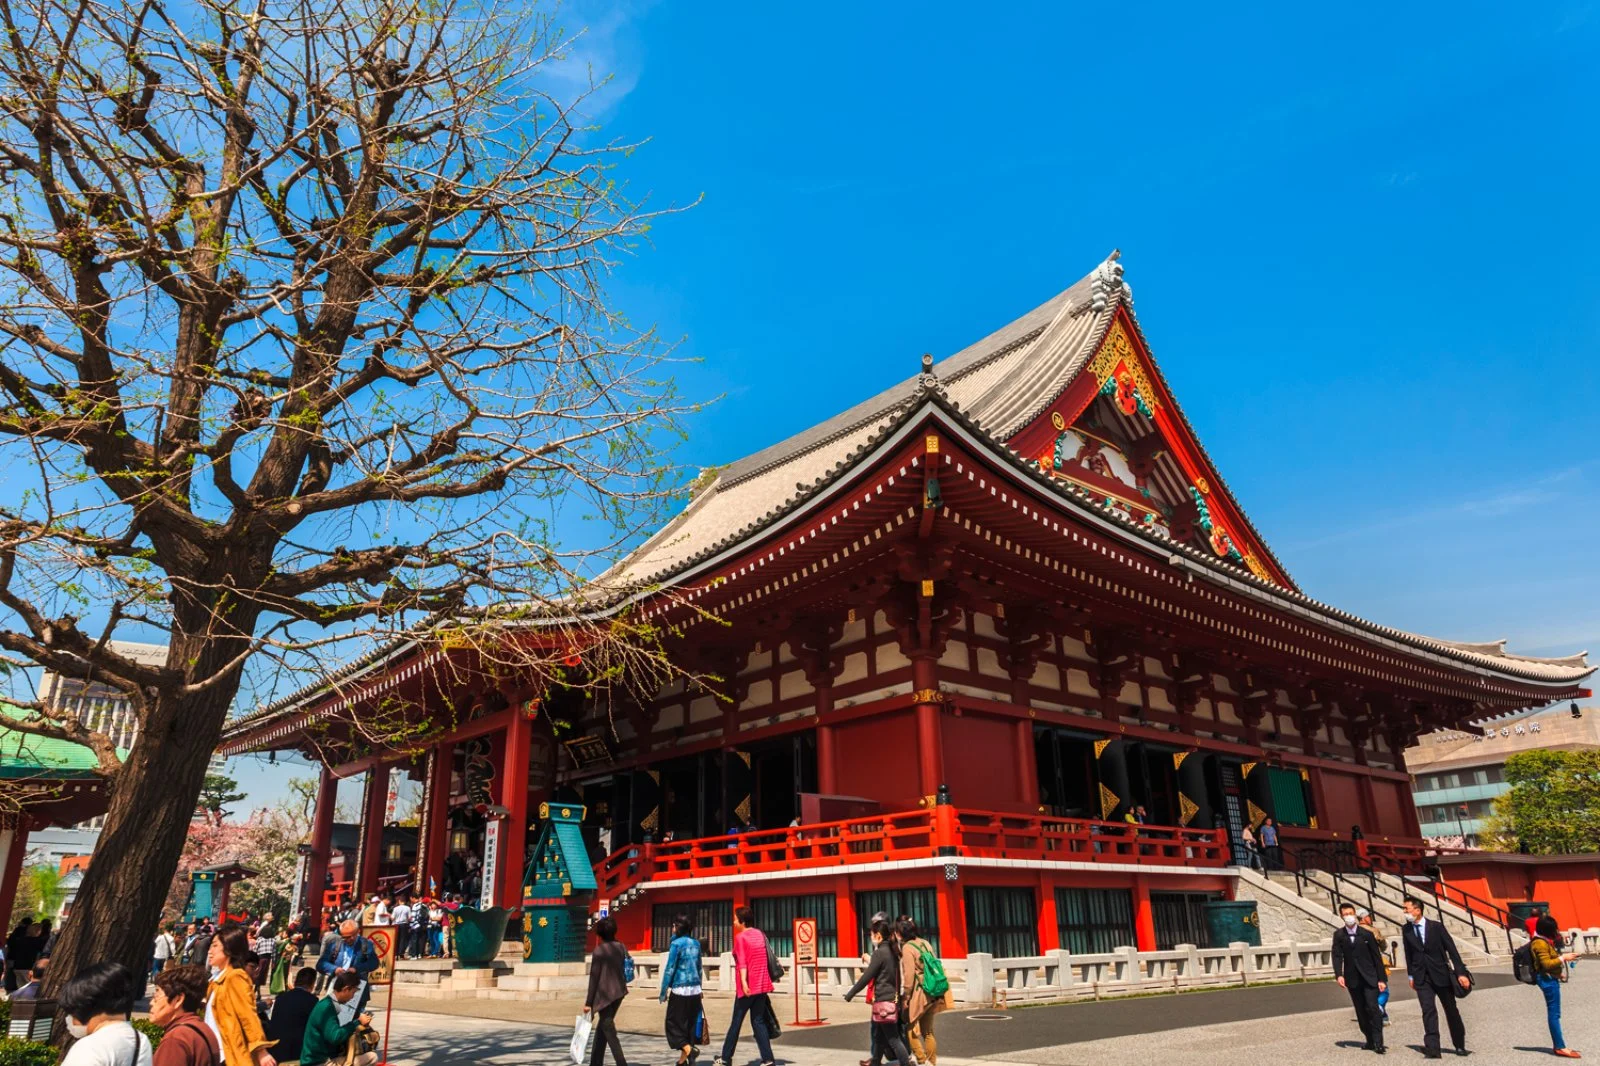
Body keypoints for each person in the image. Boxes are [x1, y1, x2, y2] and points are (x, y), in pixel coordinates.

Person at [1401, 896, 1471, 1059]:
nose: (1404, 912)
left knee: (1451, 1009)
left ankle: (1459, 1045)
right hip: (1421, 976)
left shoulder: (1436, 927)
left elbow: (1451, 949)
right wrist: (1410, 975)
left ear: (1417, 910)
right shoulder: (1406, 929)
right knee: (1428, 1010)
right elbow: (1408, 953)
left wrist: (1460, 972)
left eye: (1407, 909)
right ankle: (1433, 1048)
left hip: (1441, 974)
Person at [844, 917, 914, 1066]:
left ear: (878, 936)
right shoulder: (894, 951)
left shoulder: (880, 953)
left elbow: (866, 977)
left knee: (893, 1039)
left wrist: (850, 993)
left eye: (871, 935)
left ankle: (905, 1063)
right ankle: (875, 1062)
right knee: (879, 1036)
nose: (871, 938)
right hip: (892, 999)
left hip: (883, 1001)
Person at [712, 905, 775, 1066]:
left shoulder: (741, 938)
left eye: (735, 919)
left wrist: (745, 983)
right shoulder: (760, 934)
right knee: (758, 1021)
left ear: (742, 921)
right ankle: (768, 1059)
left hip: (748, 987)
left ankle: (725, 1058)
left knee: (736, 1022)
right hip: (762, 984)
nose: (733, 922)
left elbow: (743, 964)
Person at [59, 961, 153, 1066]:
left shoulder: (89, 1047)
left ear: (86, 1007)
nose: (70, 1020)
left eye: (72, 1013)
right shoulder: (141, 1040)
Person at [208, 926, 278, 1066]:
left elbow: (247, 1014)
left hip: (227, 1055)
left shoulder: (235, 977)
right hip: (215, 1052)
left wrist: (260, 1050)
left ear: (229, 948)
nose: (210, 951)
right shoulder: (216, 978)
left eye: (215, 945)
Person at [1332, 903, 1387, 1055]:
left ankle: (1378, 1042)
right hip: (1352, 978)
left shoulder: (1366, 934)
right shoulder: (1339, 935)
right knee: (1361, 1010)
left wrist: (1382, 979)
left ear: (1355, 914)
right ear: (1342, 916)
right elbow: (1337, 956)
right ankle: (1369, 1039)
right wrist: (1339, 974)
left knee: (1372, 1007)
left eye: (1351, 913)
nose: (1349, 916)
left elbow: (1377, 958)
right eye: (1345, 914)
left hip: (1370, 977)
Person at [150, 965, 223, 1066]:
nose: (151, 1003)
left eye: (156, 996)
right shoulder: (203, 1028)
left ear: (178, 1000)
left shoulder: (175, 1040)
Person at [1531, 914, 1582, 1059]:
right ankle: (1559, 1046)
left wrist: (1559, 975)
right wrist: (1563, 958)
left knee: (1555, 1013)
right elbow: (1546, 964)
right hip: (1547, 981)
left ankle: (1559, 1045)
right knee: (1554, 1014)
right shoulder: (1540, 943)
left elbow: (1545, 964)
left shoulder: (1542, 941)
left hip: (1550, 978)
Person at [897, 917, 946, 1065]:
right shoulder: (925, 943)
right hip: (933, 992)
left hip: (919, 994)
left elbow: (909, 976)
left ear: (901, 933)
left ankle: (921, 1059)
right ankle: (932, 1062)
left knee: (910, 1029)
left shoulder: (907, 948)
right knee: (928, 1032)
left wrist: (905, 997)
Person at [300, 972, 375, 1066]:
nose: (352, 997)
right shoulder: (327, 1008)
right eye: (353, 993)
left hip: (319, 1058)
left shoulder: (328, 1003)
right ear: (346, 989)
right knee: (371, 1057)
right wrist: (357, 1022)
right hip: (318, 1062)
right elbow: (335, 1037)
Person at [659, 912, 704, 1066]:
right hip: (695, 990)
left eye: (674, 925)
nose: (672, 927)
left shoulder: (676, 945)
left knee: (672, 1024)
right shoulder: (696, 943)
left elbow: (670, 968)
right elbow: (699, 968)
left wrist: (663, 991)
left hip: (680, 989)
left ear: (678, 927)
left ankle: (690, 1050)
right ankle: (684, 1062)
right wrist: (701, 988)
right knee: (689, 1026)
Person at [584, 916, 630, 1066]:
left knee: (609, 1030)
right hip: (619, 992)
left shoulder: (599, 951)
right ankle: (595, 1062)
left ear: (600, 933)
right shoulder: (621, 947)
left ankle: (621, 1062)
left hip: (604, 995)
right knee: (603, 1028)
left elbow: (594, 978)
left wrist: (588, 1003)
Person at [315, 920, 380, 1014]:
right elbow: (320, 964)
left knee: (356, 1022)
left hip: (358, 989)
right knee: (335, 1018)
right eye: (346, 937)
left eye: (354, 935)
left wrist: (357, 969)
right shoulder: (335, 945)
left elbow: (374, 963)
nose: (351, 938)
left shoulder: (366, 944)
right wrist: (334, 969)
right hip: (338, 988)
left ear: (358, 932)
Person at [267, 967, 320, 1064]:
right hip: (295, 1051)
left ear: (296, 981)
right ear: (312, 984)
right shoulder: (312, 1001)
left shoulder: (280, 998)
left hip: (274, 1048)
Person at [1358, 908, 1393, 1025]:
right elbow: (1383, 945)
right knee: (1384, 990)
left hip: (1360, 965)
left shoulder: (1354, 930)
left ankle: (1380, 1015)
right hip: (1375, 963)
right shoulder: (1373, 931)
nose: (1370, 919)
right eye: (1369, 916)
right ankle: (1379, 1010)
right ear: (1364, 918)